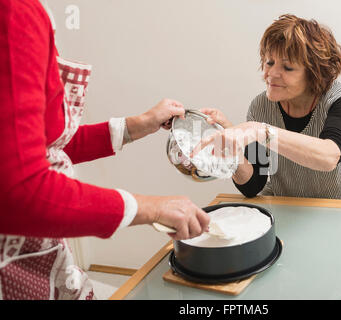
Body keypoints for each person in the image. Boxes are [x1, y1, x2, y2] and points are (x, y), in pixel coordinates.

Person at [0, 0, 209, 300]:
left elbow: (41, 146)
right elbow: (19, 188)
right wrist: (149, 207)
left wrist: (135, 126)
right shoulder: (14, 11)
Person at [193, 14, 341, 201]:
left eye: (288, 67)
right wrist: (232, 144)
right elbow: (253, 185)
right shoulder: (260, 107)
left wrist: (258, 131)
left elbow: (329, 156)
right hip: (292, 209)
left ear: (314, 73)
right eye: (269, 62)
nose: (271, 73)